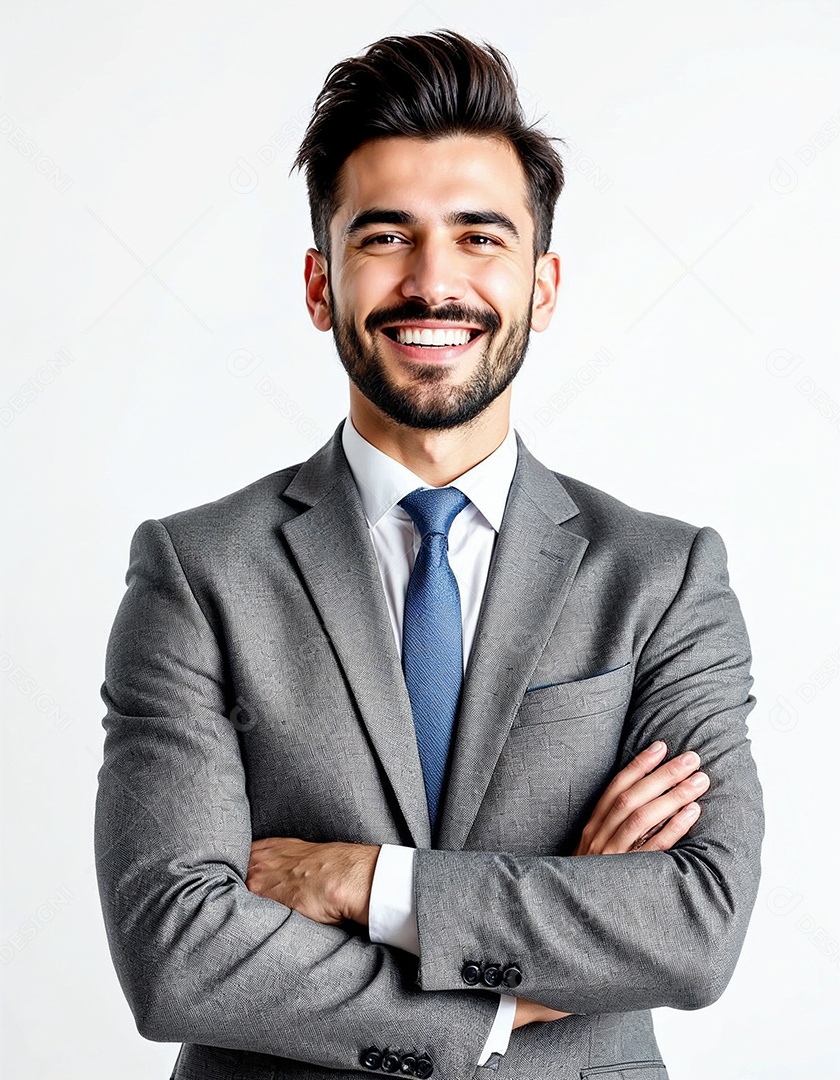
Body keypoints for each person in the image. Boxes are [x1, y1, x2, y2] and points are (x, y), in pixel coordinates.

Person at [94, 30, 764, 1080]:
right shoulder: (197, 572)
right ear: (320, 286)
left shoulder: (664, 579)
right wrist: (516, 998)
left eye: (479, 237)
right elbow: (176, 953)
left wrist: (369, 883)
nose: (432, 281)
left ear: (543, 287)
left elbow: (695, 923)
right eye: (385, 236)